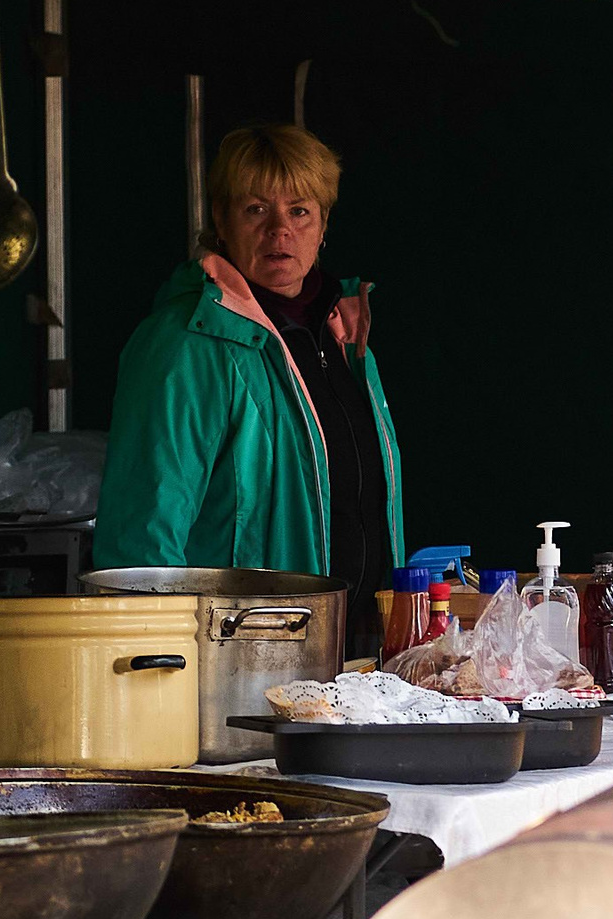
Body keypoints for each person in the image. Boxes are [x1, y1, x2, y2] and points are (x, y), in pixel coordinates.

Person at [97, 124, 404, 648]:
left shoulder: (342, 333)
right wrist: (161, 663)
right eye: (256, 209)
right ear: (221, 220)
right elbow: (142, 537)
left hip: (351, 654)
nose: (280, 230)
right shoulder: (185, 342)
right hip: (239, 660)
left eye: (299, 211)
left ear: (323, 224)